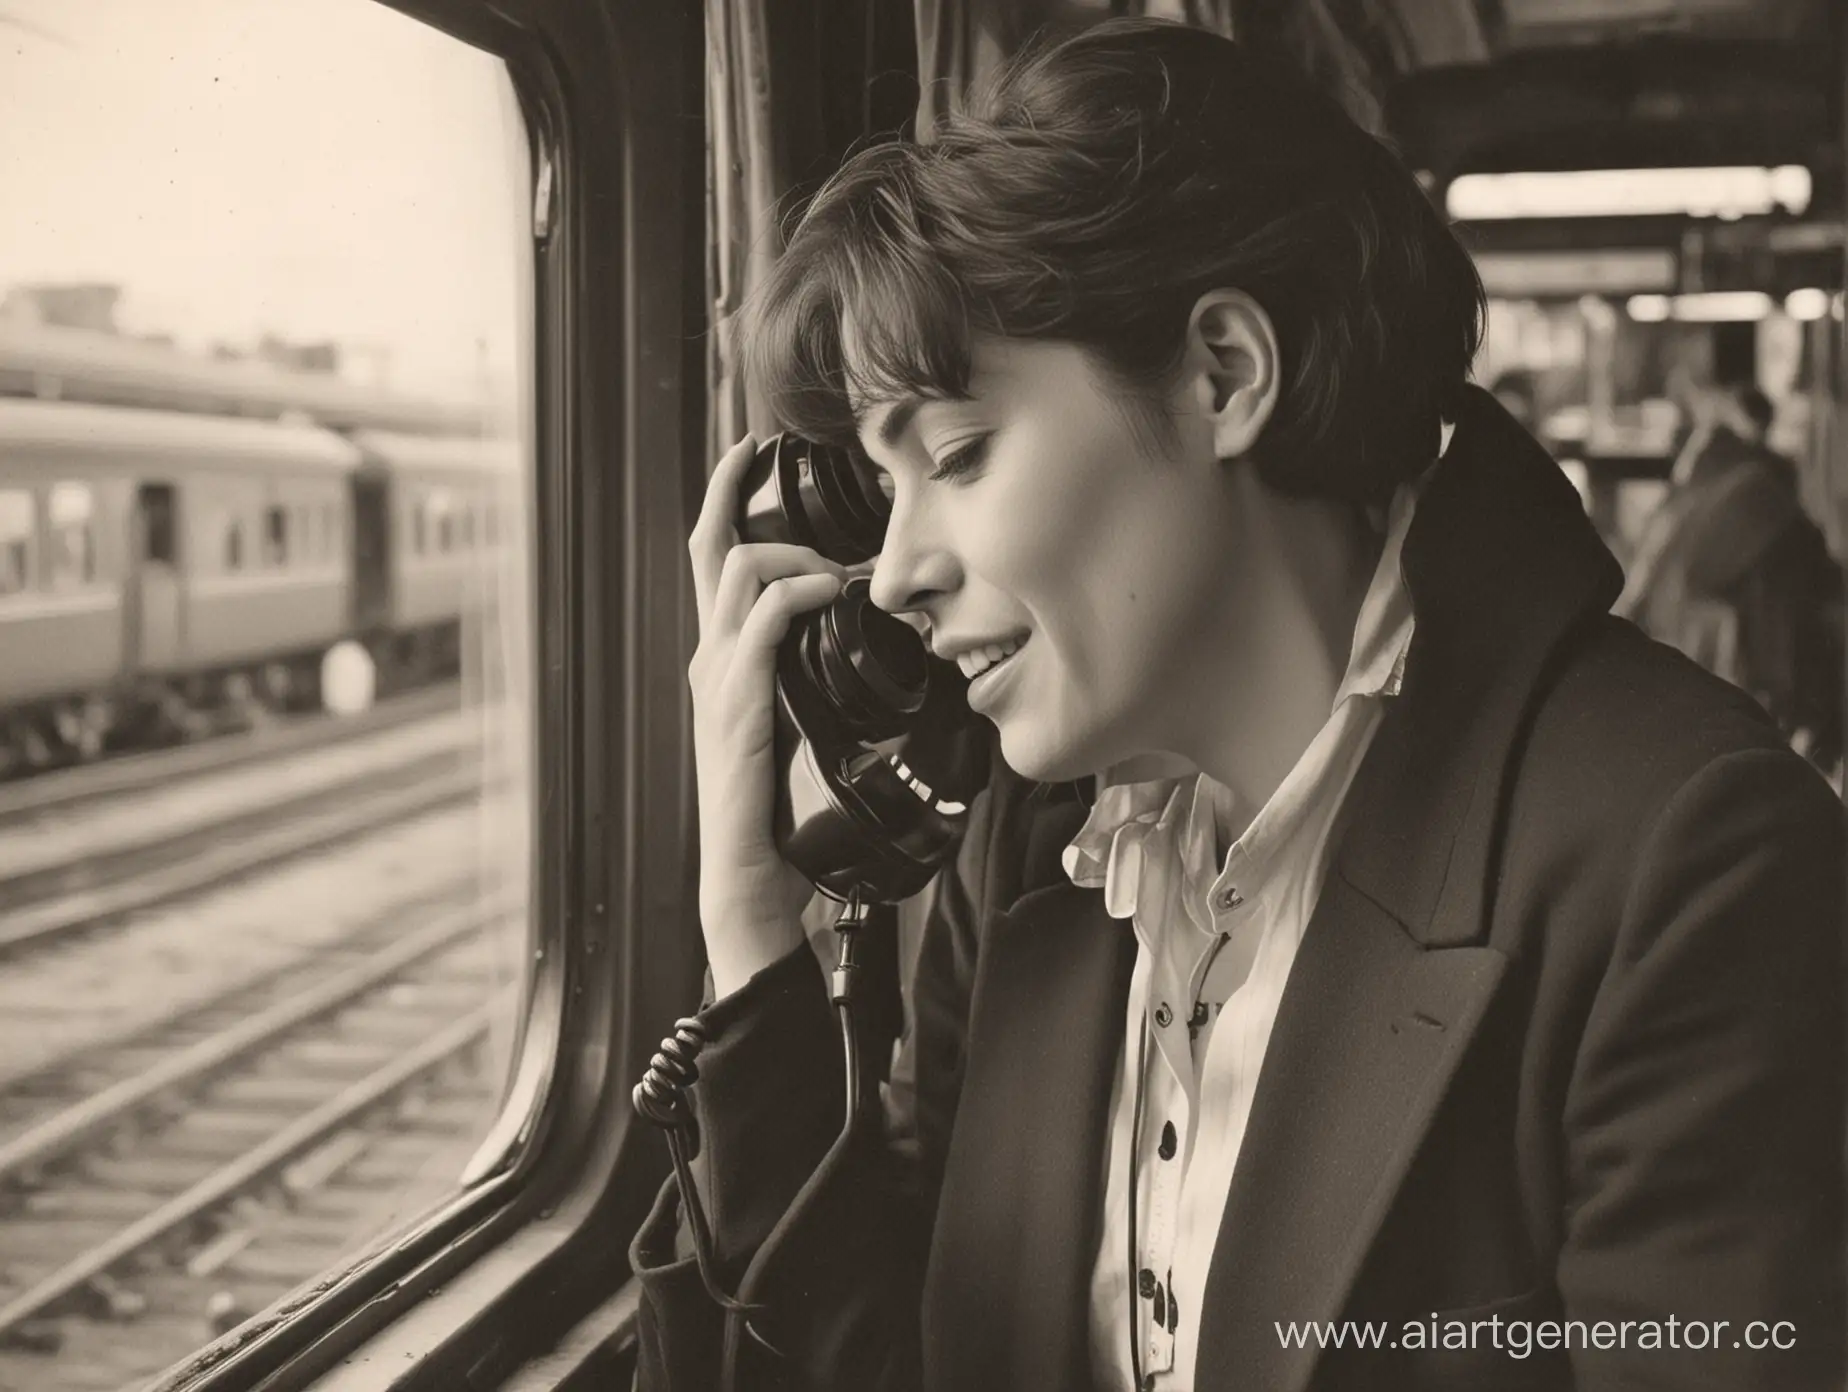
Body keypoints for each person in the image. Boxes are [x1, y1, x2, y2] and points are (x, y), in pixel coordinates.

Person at [633, 19, 1845, 1391]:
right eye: (882, 489)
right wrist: (753, 943)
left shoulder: (1691, 858)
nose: (898, 575)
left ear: (1224, 374)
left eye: (957, 456)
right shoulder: (1036, 850)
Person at [1618, 383, 1844, 772]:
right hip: (1716, 700)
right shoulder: (1765, 510)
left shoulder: (1697, 493)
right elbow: (1782, 663)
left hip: (1664, 696)